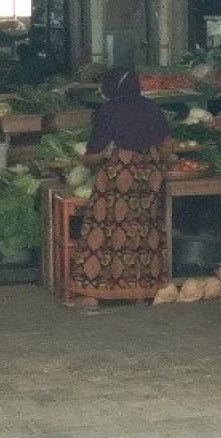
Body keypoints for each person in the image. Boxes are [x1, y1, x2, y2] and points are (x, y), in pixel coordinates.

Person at [70, 69, 172, 302]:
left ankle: (95, 294)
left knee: (103, 230)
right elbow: (167, 146)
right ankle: (143, 291)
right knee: (144, 231)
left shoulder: (108, 111)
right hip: (149, 182)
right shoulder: (152, 108)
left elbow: (93, 154)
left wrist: (84, 159)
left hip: (117, 182)